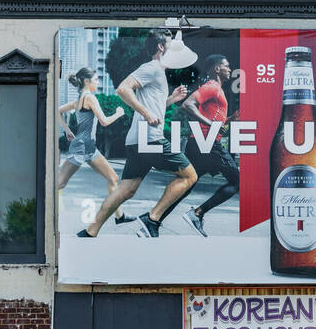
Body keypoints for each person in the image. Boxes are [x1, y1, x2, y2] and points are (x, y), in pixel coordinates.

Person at [78, 30, 194, 238]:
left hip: (138, 139)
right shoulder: (152, 67)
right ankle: (152, 219)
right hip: (150, 139)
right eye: (169, 43)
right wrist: (147, 113)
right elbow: (123, 89)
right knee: (189, 176)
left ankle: (91, 229)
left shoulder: (157, 72)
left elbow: (152, 106)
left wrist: (170, 100)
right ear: (160, 47)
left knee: (126, 190)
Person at [178, 54, 241, 237]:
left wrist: (230, 119)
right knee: (236, 181)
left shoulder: (218, 91)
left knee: (186, 184)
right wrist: (211, 126)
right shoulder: (212, 87)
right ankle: (197, 213)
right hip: (207, 141)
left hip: (199, 142)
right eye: (226, 66)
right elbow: (188, 105)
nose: (229, 69)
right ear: (216, 69)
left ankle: (153, 219)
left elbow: (215, 120)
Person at [58, 67, 129, 218]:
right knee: (60, 183)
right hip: (80, 147)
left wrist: (67, 130)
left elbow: (58, 111)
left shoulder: (78, 100)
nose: (98, 82)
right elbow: (104, 121)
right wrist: (118, 113)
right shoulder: (89, 98)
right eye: (96, 79)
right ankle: (36, 204)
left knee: (113, 178)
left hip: (90, 148)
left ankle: (119, 216)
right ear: (86, 81)